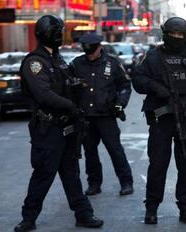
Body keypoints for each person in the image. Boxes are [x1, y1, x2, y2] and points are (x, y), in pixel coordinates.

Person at [15, 15, 103, 232]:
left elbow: (69, 84)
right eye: (57, 32)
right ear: (47, 33)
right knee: (43, 175)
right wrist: (71, 106)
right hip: (48, 129)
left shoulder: (59, 59)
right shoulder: (35, 62)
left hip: (68, 128)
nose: (60, 36)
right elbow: (43, 94)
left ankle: (84, 215)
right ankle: (28, 219)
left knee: (71, 174)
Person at [132, 16, 186, 225]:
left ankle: (185, 208)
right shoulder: (153, 57)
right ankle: (152, 209)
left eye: (180, 34)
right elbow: (137, 80)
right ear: (165, 34)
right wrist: (155, 88)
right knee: (157, 165)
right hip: (161, 120)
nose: (176, 38)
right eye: (172, 34)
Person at [70, 33, 134, 196]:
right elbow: (69, 88)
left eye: (93, 51)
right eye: (87, 52)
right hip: (86, 117)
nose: (90, 55)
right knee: (90, 153)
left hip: (106, 115)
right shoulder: (77, 64)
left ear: (100, 47)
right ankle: (94, 183)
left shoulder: (112, 63)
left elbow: (125, 85)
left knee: (115, 150)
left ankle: (126, 182)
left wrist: (120, 103)